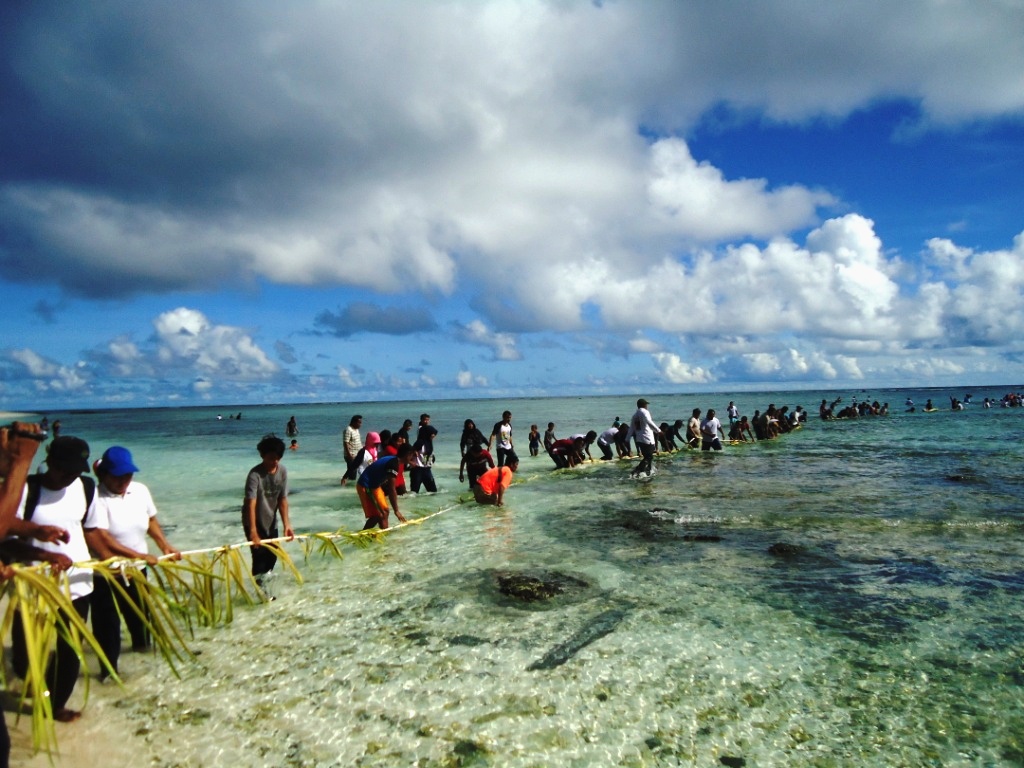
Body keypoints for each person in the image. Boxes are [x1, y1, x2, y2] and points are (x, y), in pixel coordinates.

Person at [9, 435, 103, 723]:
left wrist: (124, 559)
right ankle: (36, 684)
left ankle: (56, 704)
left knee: (71, 649)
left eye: (76, 471)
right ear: (49, 462)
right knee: (24, 656)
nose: (69, 477)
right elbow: (6, 541)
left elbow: (92, 532)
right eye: (64, 470)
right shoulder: (26, 490)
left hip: (78, 584)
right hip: (33, 587)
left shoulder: (86, 487)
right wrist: (45, 555)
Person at [89, 446, 180, 679]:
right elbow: (102, 537)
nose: (124, 481)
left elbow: (151, 520)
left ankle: (143, 660)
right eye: (117, 476)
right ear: (105, 474)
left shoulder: (139, 490)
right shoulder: (96, 498)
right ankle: (108, 673)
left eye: (128, 475)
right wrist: (137, 555)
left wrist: (164, 546)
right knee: (108, 626)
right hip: (106, 573)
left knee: (140, 617)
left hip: (137, 570)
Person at [242, 435, 294, 583]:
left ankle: (265, 585)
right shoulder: (255, 475)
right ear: (262, 455)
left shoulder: (282, 471)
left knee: (273, 555)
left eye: (278, 458)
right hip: (253, 521)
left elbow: (282, 500)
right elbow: (250, 504)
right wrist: (253, 531)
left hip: (271, 520)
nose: (275, 461)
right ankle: (262, 592)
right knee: (259, 558)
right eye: (271, 458)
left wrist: (287, 525)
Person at [356, 444, 415, 530]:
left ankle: (384, 532)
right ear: (408, 454)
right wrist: (396, 511)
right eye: (412, 455)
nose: (412, 458)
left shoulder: (394, 459)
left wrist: (409, 462)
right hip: (366, 485)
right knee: (378, 515)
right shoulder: (393, 464)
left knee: (385, 511)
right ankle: (362, 536)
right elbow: (392, 489)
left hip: (375, 486)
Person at [627, 399, 660, 478]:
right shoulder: (645, 412)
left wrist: (627, 438)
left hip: (639, 440)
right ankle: (637, 471)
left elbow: (631, 428)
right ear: (644, 405)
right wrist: (658, 430)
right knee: (649, 457)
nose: (647, 406)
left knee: (647, 457)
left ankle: (647, 471)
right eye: (646, 405)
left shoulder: (635, 415)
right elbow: (649, 422)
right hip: (647, 439)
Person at [340, 415, 363, 486]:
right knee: (352, 474)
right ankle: (347, 486)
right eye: (359, 423)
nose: (360, 424)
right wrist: (349, 455)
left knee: (353, 472)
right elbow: (345, 443)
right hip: (351, 455)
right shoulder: (348, 430)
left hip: (357, 455)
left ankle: (349, 485)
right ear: (353, 422)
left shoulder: (356, 430)